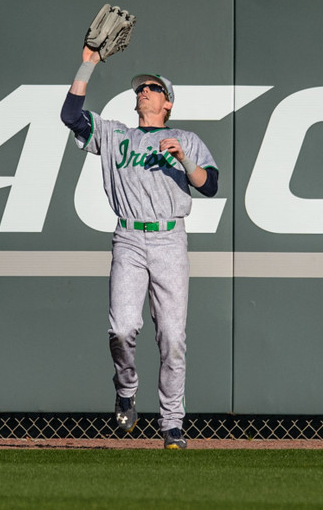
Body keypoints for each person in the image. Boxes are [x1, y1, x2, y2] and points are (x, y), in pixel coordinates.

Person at [60, 44, 219, 450]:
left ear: (167, 102)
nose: (143, 91)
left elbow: (211, 185)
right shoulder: (115, 135)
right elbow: (71, 116)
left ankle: (171, 425)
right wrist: (88, 63)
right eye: (140, 87)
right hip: (129, 236)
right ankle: (127, 389)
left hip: (169, 237)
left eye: (152, 87)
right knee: (122, 328)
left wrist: (184, 160)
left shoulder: (184, 138)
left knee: (172, 336)